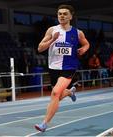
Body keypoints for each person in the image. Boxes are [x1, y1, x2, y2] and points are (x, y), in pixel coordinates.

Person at [35, 4, 90, 132]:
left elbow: (87, 44)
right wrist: (52, 40)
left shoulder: (77, 32)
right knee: (58, 95)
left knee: (55, 93)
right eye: (60, 14)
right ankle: (70, 92)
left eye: (65, 14)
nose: (62, 16)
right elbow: (40, 48)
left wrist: (84, 49)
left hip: (69, 66)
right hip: (53, 67)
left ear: (71, 16)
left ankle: (44, 124)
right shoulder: (52, 30)